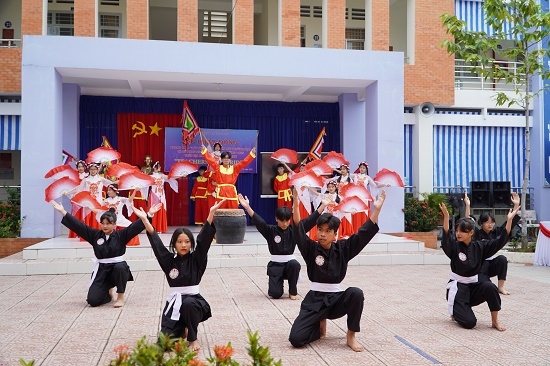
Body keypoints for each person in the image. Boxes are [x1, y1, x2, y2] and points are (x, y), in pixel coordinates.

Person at [288, 188, 387, 352]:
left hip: (335, 300)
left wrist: (376, 210)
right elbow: (298, 229)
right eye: (320, 230)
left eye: (327, 231)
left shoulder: (343, 248)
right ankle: (318, 326)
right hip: (314, 301)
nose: (322, 234)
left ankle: (351, 337)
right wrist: (296, 205)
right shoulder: (310, 248)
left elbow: (362, 235)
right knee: (296, 339)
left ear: (335, 234)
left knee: (356, 293)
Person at [131, 199, 226, 352]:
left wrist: (211, 213)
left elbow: (203, 241)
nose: (183, 245)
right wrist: (144, 219)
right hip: (175, 305)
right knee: (164, 344)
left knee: (188, 303)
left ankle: (192, 337)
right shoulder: (169, 262)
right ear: (174, 244)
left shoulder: (197, 259)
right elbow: (157, 244)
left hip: (195, 304)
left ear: (191, 244)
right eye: (180, 242)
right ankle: (182, 329)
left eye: (187, 242)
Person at [50, 200, 146, 308]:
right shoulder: (95, 235)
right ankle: (108, 293)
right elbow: (79, 226)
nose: (105, 226)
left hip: (117, 269)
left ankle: (120, 297)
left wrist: (148, 215)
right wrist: (63, 212)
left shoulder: (121, 235)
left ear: (114, 224)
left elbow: (135, 227)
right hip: (102, 271)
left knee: (120, 267)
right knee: (93, 301)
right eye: (103, 223)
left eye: (108, 223)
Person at [439, 201, 518, 332]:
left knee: (489, 287)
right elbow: (446, 236)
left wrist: (509, 221)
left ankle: (495, 321)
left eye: (462, 231)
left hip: (473, 286)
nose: (458, 234)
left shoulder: (480, 247)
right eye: (457, 231)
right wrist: (446, 218)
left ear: (471, 233)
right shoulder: (454, 247)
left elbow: (500, 241)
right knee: (470, 323)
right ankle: (457, 309)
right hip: (458, 289)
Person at [238, 193, 315, 300]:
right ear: (276, 219)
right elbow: (259, 221)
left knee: (294, 264)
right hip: (275, 266)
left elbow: (310, 221)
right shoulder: (270, 231)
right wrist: (247, 207)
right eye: (282, 220)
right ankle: (276, 285)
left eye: (287, 221)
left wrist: (322, 206)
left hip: (290, 265)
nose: (284, 223)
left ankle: (293, 291)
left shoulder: (294, 230)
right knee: (275, 294)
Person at [464, 192, 520, 295]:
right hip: (479, 265)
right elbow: (468, 222)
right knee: (486, 285)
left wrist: (516, 205)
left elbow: (509, 224)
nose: (490, 225)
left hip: (491, 264)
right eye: (487, 222)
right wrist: (468, 205)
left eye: (492, 222)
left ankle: (501, 287)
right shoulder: (476, 233)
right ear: (481, 223)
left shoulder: (497, 232)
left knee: (502, 259)